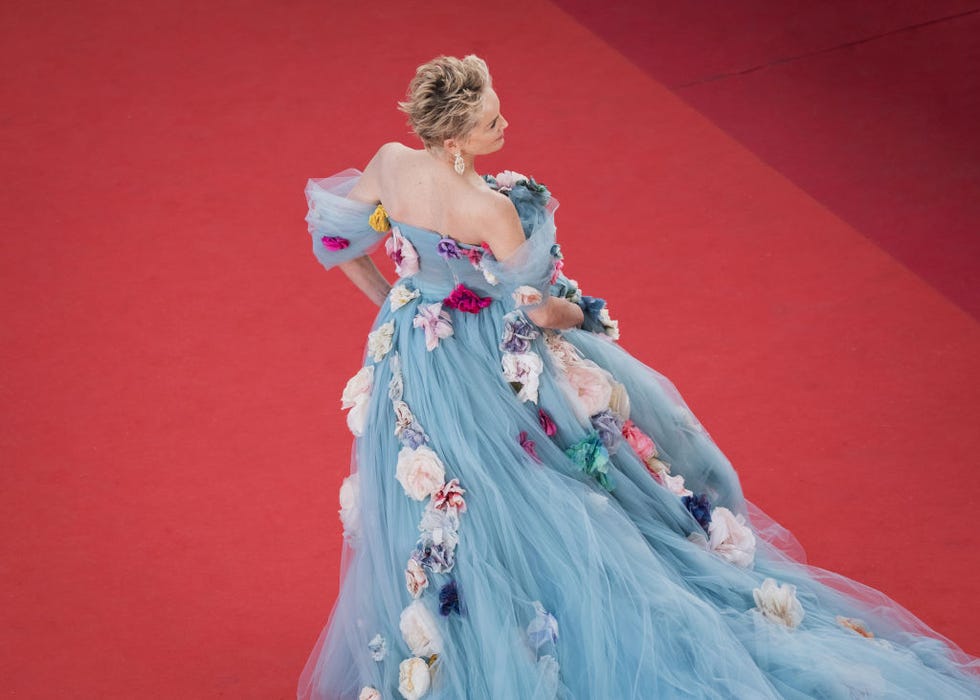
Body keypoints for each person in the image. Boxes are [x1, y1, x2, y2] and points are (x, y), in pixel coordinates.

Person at [297, 55, 979, 700]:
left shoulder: (389, 164)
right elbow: (540, 312)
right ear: (456, 137)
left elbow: (335, 241)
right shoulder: (491, 211)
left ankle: (453, 641)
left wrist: (397, 303)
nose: (505, 127)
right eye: (491, 122)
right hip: (483, 364)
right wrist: (590, 317)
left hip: (412, 357)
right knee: (537, 491)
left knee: (437, 503)